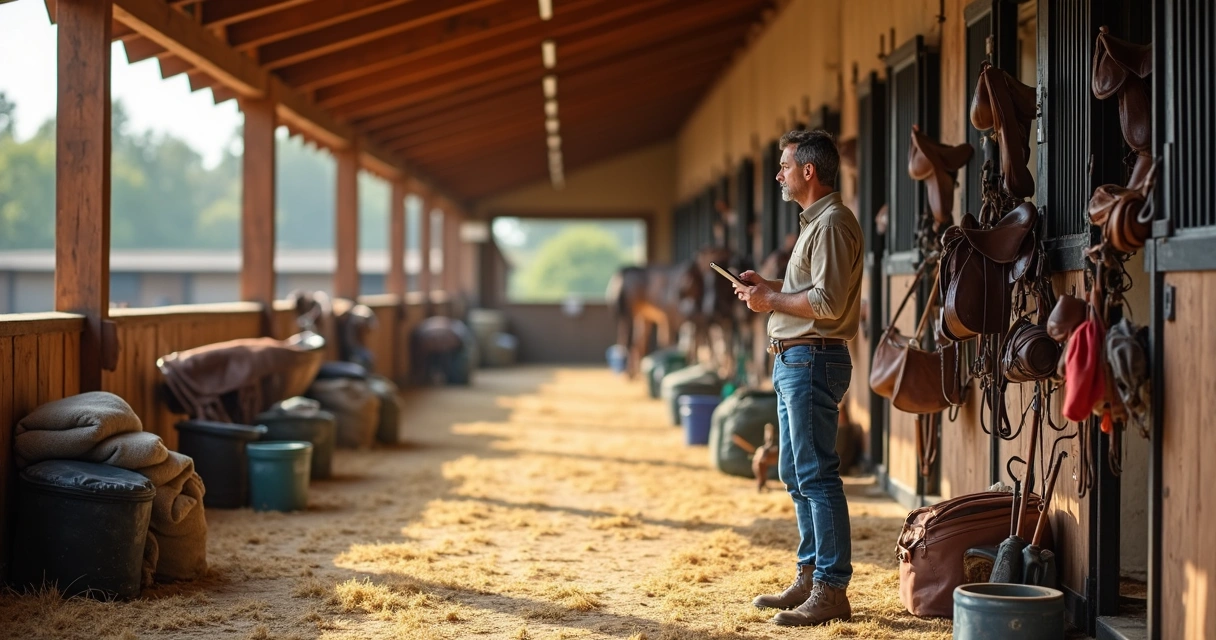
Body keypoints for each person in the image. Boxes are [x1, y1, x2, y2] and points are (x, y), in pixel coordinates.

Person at [732, 129, 864, 626]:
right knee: (794, 472)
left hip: (811, 358)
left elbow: (826, 304)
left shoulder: (830, 224)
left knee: (816, 475)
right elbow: (809, 292)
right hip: (796, 358)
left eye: (785, 166)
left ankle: (832, 588)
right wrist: (771, 289)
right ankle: (811, 575)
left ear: (809, 171)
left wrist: (771, 301)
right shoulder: (816, 224)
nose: (779, 175)